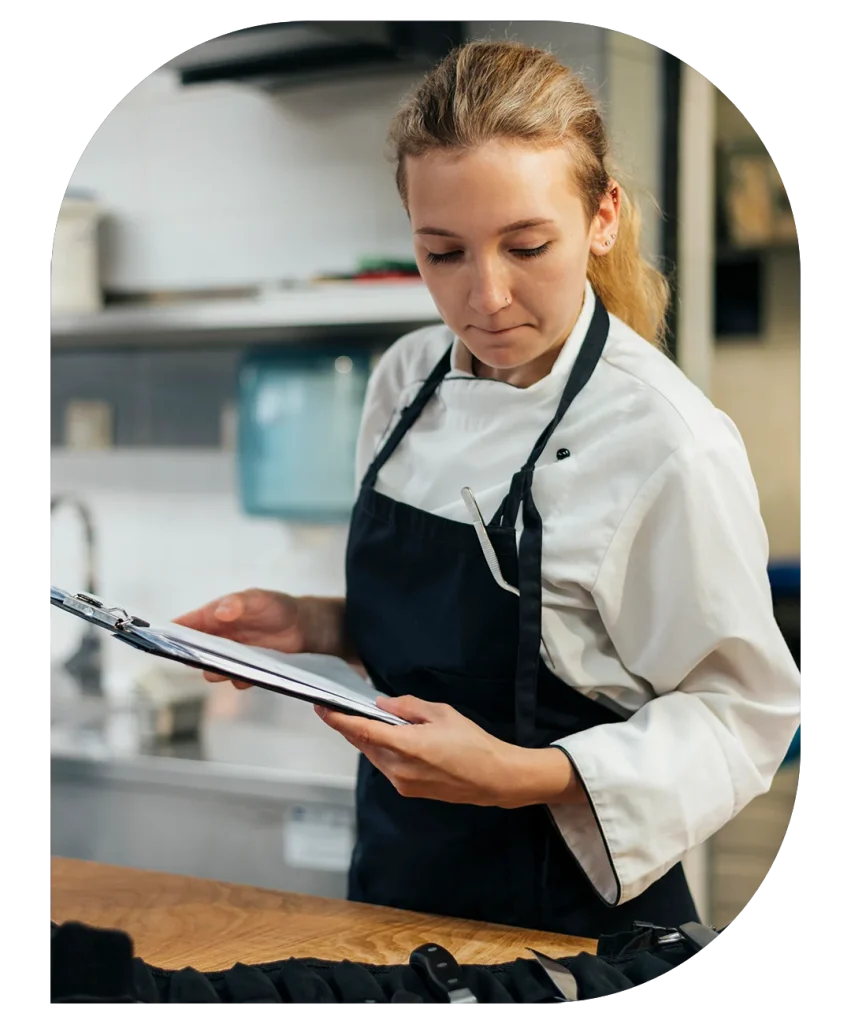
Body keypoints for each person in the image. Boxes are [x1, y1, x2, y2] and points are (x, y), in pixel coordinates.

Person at [176, 40, 801, 939]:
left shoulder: (668, 439)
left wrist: (523, 775)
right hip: (394, 892)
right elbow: (478, 635)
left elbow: (743, 714)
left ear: (602, 218)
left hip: (571, 928)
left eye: (526, 245)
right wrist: (319, 625)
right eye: (444, 253)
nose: (487, 296)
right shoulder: (404, 379)